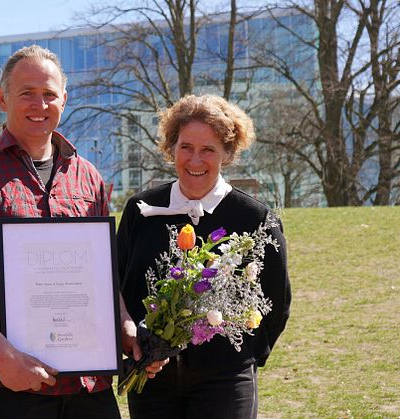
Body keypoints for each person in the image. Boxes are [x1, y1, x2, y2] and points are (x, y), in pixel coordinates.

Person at [0, 45, 167, 419]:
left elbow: (100, 278)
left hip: (88, 385)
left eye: (49, 94)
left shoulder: (90, 179)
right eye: (27, 93)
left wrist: (124, 327)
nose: (40, 104)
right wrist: (4, 356)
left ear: (64, 100)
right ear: (2, 98)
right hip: (5, 384)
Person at [117, 94, 291, 418]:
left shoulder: (255, 219)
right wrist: (138, 348)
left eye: (208, 149)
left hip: (225, 381)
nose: (195, 160)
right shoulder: (140, 211)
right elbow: (116, 285)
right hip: (153, 380)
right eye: (186, 147)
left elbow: (276, 302)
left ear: (227, 153)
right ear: (172, 148)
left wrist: (243, 356)